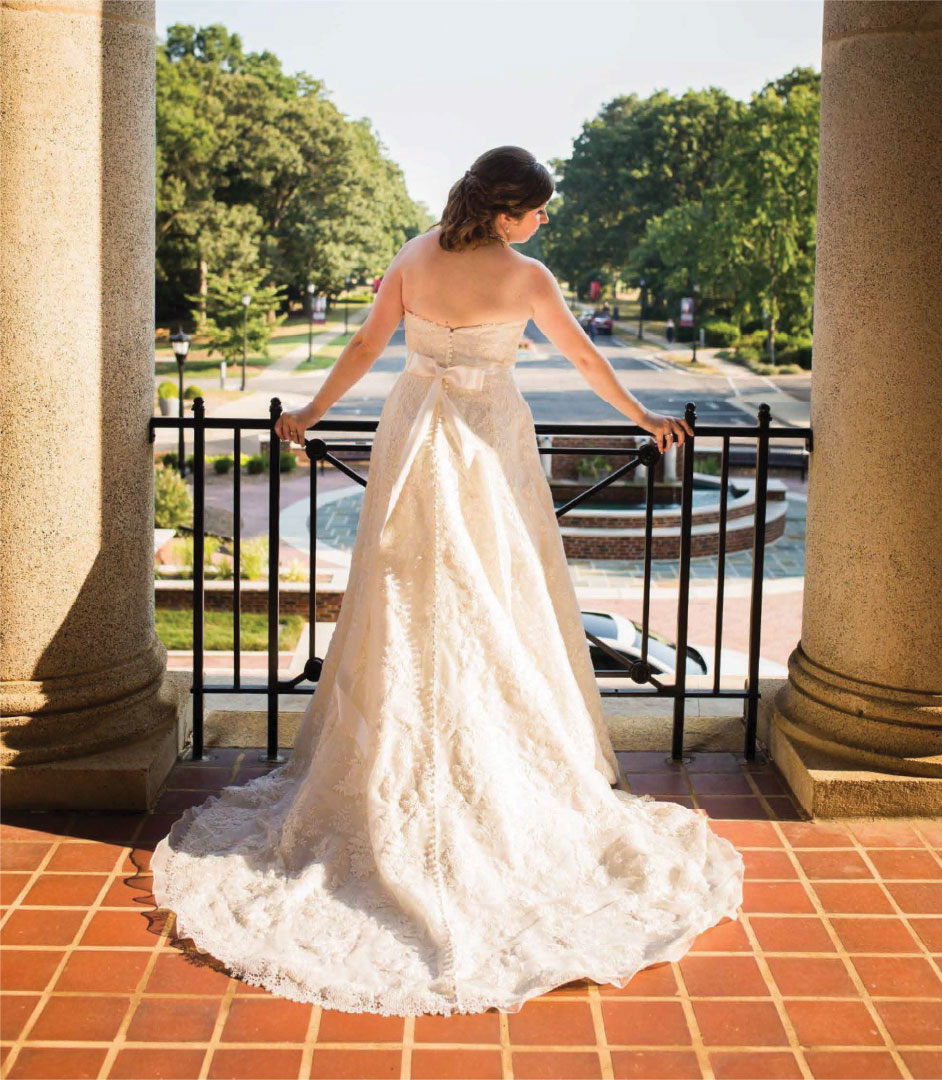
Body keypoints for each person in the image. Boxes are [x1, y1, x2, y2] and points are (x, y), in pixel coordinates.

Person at [150, 145, 744, 1018]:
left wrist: (309, 414)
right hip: (487, 438)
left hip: (416, 433)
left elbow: (364, 344)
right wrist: (645, 418)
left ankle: (401, 755)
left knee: (407, 601)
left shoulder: (414, 254)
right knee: (499, 594)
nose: (545, 222)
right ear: (507, 212)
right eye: (538, 209)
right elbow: (583, 360)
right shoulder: (529, 278)